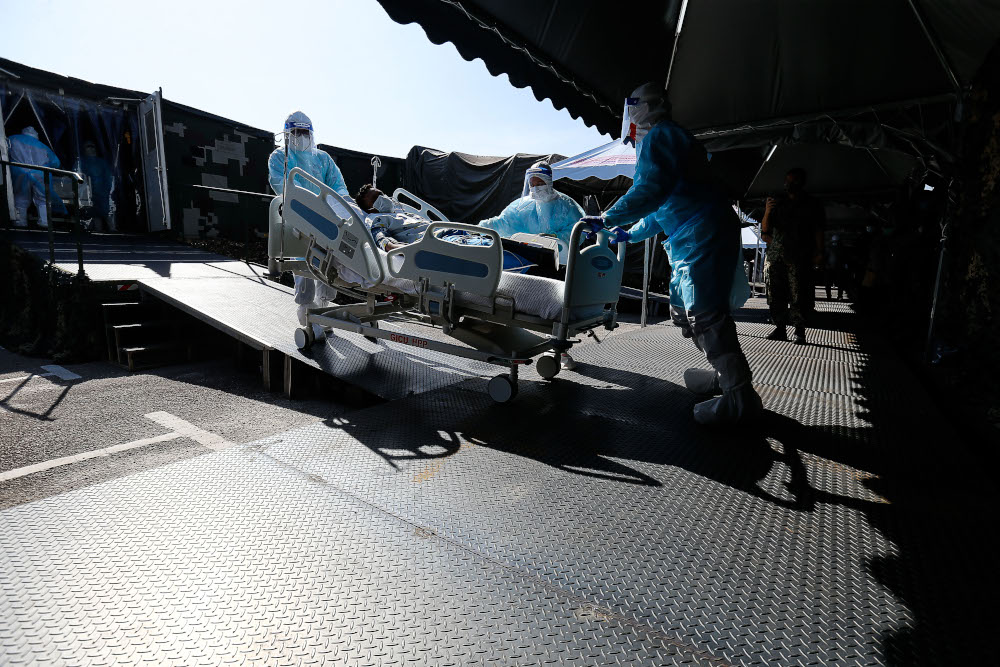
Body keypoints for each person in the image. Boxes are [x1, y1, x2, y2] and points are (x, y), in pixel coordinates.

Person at [583, 82, 762, 426]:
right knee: (683, 312)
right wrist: (630, 232)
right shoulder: (662, 140)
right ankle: (723, 375)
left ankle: (739, 396)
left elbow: (651, 191)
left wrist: (607, 218)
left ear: (639, 109)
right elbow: (662, 206)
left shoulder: (662, 136)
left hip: (702, 234)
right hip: (692, 235)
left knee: (705, 314)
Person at [267, 111, 348, 325]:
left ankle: (324, 309)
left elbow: (338, 186)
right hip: (299, 217)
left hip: (328, 219)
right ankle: (306, 311)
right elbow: (281, 184)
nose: (301, 136)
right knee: (303, 265)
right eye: (296, 132)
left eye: (304, 132)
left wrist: (339, 207)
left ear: (311, 134)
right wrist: (308, 205)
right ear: (286, 134)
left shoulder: (323, 158)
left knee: (329, 263)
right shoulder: (279, 157)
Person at [760, 167, 825, 344]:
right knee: (775, 293)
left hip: (799, 254)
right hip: (776, 257)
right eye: (787, 181)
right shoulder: (778, 203)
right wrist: (767, 210)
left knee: (799, 293)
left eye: (793, 181)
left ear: (802, 183)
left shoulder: (812, 204)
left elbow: (819, 229)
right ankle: (780, 328)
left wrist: (820, 252)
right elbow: (765, 230)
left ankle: (799, 330)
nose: (789, 184)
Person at [478, 162, 584, 249]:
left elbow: (579, 231)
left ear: (549, 182)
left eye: (540, 184)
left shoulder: (566, 205)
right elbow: (504, 223)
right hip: (528, 256)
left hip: (560, 258)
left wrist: (556, 237)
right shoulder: (522, 205)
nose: (535, 188)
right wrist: (482, 227)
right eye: (532, 185)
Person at [8, 127, 61, 229]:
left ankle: (20, 222)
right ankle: (44, 222)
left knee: (20, 196)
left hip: (21, 172)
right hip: (40, 173)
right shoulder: (42, 146)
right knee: (43, 198)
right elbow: (55, 162)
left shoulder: (13, 139)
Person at [79, 140, 115, 231]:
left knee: (107, 211)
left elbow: (108, 177)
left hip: (103, 191)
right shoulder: (81, 162)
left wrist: (108, 189)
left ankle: (113, 229)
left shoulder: (102, 162)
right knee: (95, 213)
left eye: (92, 146)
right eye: (88, 146)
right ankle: (99, 232)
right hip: (89, 192)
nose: (91, 148)